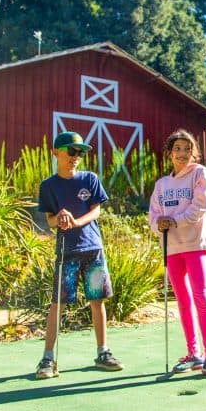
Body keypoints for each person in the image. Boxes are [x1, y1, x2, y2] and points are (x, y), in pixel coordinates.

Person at [34, 131, 123, 378]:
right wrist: (60, 219)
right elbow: (50, 220)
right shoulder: (48, 186)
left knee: (97, 300)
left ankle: (103, 352)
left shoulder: (90, 179)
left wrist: (76, 222)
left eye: (80, 152)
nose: (76, 157)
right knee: (58, 303)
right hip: (66, 252)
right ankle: (48, 358)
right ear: (56, 153)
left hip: (93, 249)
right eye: (71, 151)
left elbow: (96, 212)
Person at [149, 129, 206, 378]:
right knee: (184, 302)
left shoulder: (200, 174)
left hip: (196, 244)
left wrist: (172, 221)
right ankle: (193, 354)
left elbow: (199, 208)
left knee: (202, 298)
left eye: (187, 149)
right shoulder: (162, 185)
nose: (182, 153)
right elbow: (153, 216)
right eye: (177, 149)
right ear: (169, 153)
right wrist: (160, 225)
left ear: (193, 152)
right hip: (173, 248)